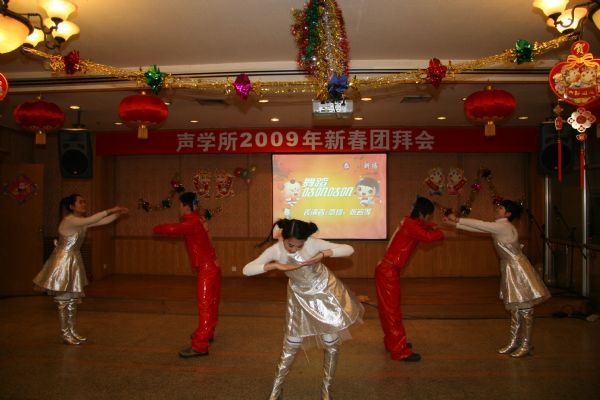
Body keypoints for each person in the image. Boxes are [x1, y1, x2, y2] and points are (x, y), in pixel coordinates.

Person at [243, 219, 364, 400]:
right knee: (291, 344)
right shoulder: (276, 250)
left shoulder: (312, 243)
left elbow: (349, 249)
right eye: (290, 245)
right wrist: (274, 265)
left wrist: (324, 254)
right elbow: (247, 270)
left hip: (323, 294)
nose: (294, 249)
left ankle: (326, 390)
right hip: (299, 297)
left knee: (330, 343)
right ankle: (276, 391)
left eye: (299, 246)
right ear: (283, 238)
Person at [443, 199, 550, 358]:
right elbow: (480, 228)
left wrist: (457, 219)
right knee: (516, 309)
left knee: (525, 309)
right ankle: (514, 342)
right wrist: (455, 224)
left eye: (501, 208)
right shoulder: (501, 226)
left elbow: (481, 225)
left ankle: (526, 344)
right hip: (512, 268)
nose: (497, 209)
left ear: (508, 214)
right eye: (498, 207)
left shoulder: (503, 226)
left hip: (518, 270)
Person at [33, 194, 128, 345]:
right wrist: (111, 210)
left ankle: (71, 331)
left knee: (72, 300)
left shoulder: (80, 222)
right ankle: (65, 334)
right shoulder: (70, 220)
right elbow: (92, 219)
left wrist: (118, 214)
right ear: (72, 206)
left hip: (73, 261)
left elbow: (101, 221)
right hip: (63, 262)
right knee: (64, 300)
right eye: (80, 202)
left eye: (84, 201)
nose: (84, 204)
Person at [375, 196, 444, 362]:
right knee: (392, 312)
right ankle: (400, 351)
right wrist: (441, 232)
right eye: (429, 216)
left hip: (387, 270)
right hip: (388, 271)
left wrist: (432, 226)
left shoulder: (409, 221)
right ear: (421, 214)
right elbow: (428, 237)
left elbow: (423, 227)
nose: (429, 220)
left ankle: (392, 342)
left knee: (388, 311)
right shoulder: (411, 225)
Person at [153, 192, 221, 358]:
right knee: (211, 304)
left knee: (205, 307)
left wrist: (156, 228)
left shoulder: (192, 222)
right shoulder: (200, 219)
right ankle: (207, 333)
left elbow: (172, 229)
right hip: (212, 266)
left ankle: (200, 346)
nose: (179, 208)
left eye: (179, 205)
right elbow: (209, 241)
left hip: (207, 269)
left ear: (184, 206)